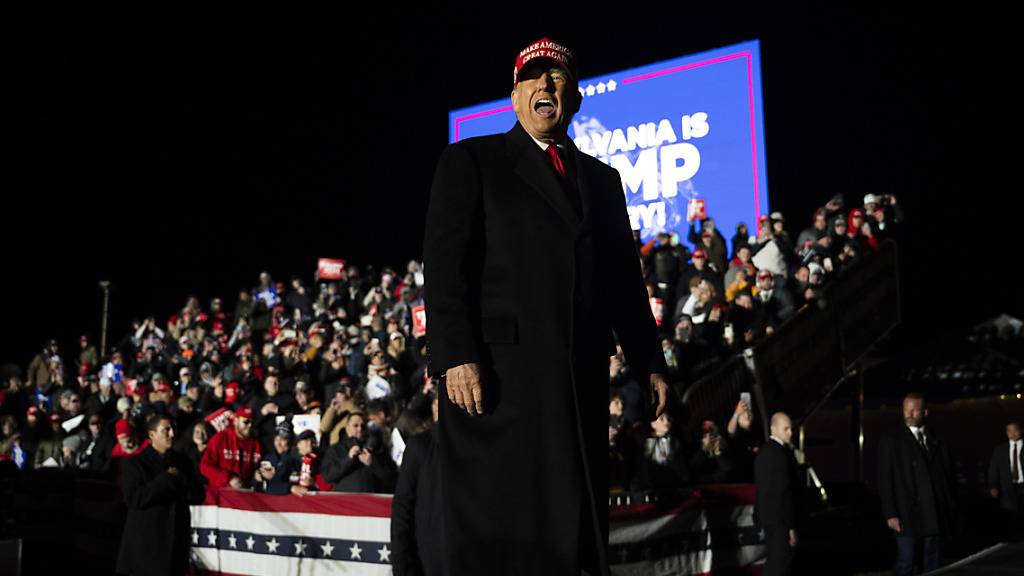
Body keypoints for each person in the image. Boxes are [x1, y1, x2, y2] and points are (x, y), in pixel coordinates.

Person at [422, 37, 668, 576]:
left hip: (577, 381)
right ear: (514, 95)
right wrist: (456, 354)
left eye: (557, 78)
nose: (545, 86)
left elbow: (625, 282)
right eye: (533, 77)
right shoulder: (473, 161)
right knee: (504, 530)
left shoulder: (603, 182)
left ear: (575, 98)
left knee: (572, 526)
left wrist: (649, 359)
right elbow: (444, 269)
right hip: (498, 384)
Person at [116, 414, 205, 576]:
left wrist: (184, 479)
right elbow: (135, 499)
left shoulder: (183, 462)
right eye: (166, 430)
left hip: (176, 547)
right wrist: (166, 479)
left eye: (173, 429)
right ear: (152, 434)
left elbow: (198, 495)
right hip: (147, 549)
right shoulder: (135, 463)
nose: (172, 434)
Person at [877, 393, 955, 576]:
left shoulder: (937, 438)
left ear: (925, 412)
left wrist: (949, 506)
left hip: (934, 512)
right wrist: (891, 513)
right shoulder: (891, 439)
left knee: (933, 562)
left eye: (914, 410)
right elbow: (884, 479)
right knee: (906, 560)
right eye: (906, 410)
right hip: (906, 512)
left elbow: (946, 475)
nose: (909, 414)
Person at [754, 412, 800, 576]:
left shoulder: (763, 453)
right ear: (773, 429)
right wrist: (791, 526)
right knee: (780, 563)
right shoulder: (780, 454)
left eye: (790, 429)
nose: (790, 433)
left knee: (775, 560)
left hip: (768, 517)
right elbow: (783, 492)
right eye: (786, 429)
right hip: (780, 519)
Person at [199, 406, 262, 489]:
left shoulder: (256, 444)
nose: (250, 425)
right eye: (246, 422)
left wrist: (258, 475)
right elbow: (205, 466)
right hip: (220, 494)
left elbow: (255, 469)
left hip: (244, 495)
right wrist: (228, 478)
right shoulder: (220, 439)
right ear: (235, 421)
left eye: (252, 422)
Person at [987, 420, 1022, 541]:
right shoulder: (1000, 450)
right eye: (1009, 431)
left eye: (1015, 430)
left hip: (1023, 485)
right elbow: (993, 469)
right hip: (1007, 486)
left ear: (1020, 430)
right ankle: (1013, 539)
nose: (1012, 433)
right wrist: (993, 486)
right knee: (1010, 513)